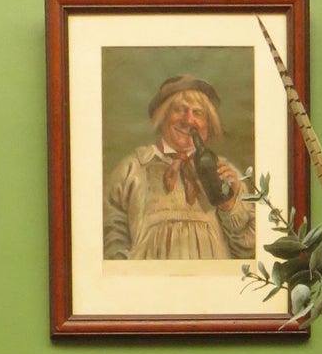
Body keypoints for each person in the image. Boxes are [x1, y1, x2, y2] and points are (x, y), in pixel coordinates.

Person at [103, 75, 255, 261]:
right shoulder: (132, 168)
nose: (189, 120)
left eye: (197, 113)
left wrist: (229, 206)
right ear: (162, 116)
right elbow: (111, 236)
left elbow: (249, 250)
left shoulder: (225, 173)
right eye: (179, 110)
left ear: (208, 124)